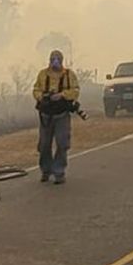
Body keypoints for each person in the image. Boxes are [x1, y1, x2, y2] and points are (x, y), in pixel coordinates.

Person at [32, 49, 80, 184]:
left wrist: (62, 95)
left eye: (58, 59)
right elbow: (36, 89)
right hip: (46, 115)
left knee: (62, 143)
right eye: (53, 58)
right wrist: (42, 97)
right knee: (44, 145)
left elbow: (75, 90)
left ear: (62, 60)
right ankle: (45, 171)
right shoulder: (42, 74)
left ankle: (59, 172)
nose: (55, 61)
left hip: (62, 115)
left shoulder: (69, 75)